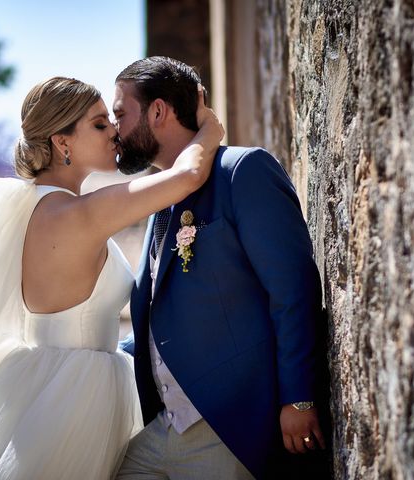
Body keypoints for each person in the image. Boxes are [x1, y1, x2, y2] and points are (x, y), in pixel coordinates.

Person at [0, 76, 224, 479]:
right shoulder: (78, 214)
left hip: (39, 385)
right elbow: (188, 176)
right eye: (99, 124)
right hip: (73, 402)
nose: (115, 133)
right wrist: (210, 125)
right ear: (62, 142)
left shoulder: (33, 208)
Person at [114, 57, 328, 480]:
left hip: (229, 430)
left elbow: (294, 288)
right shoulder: (159, 203)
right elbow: (160, 318)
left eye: (120, 113)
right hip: (163, 430)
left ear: (158, 111)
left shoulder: (243, 172)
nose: (115, 130)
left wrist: (299, 398)